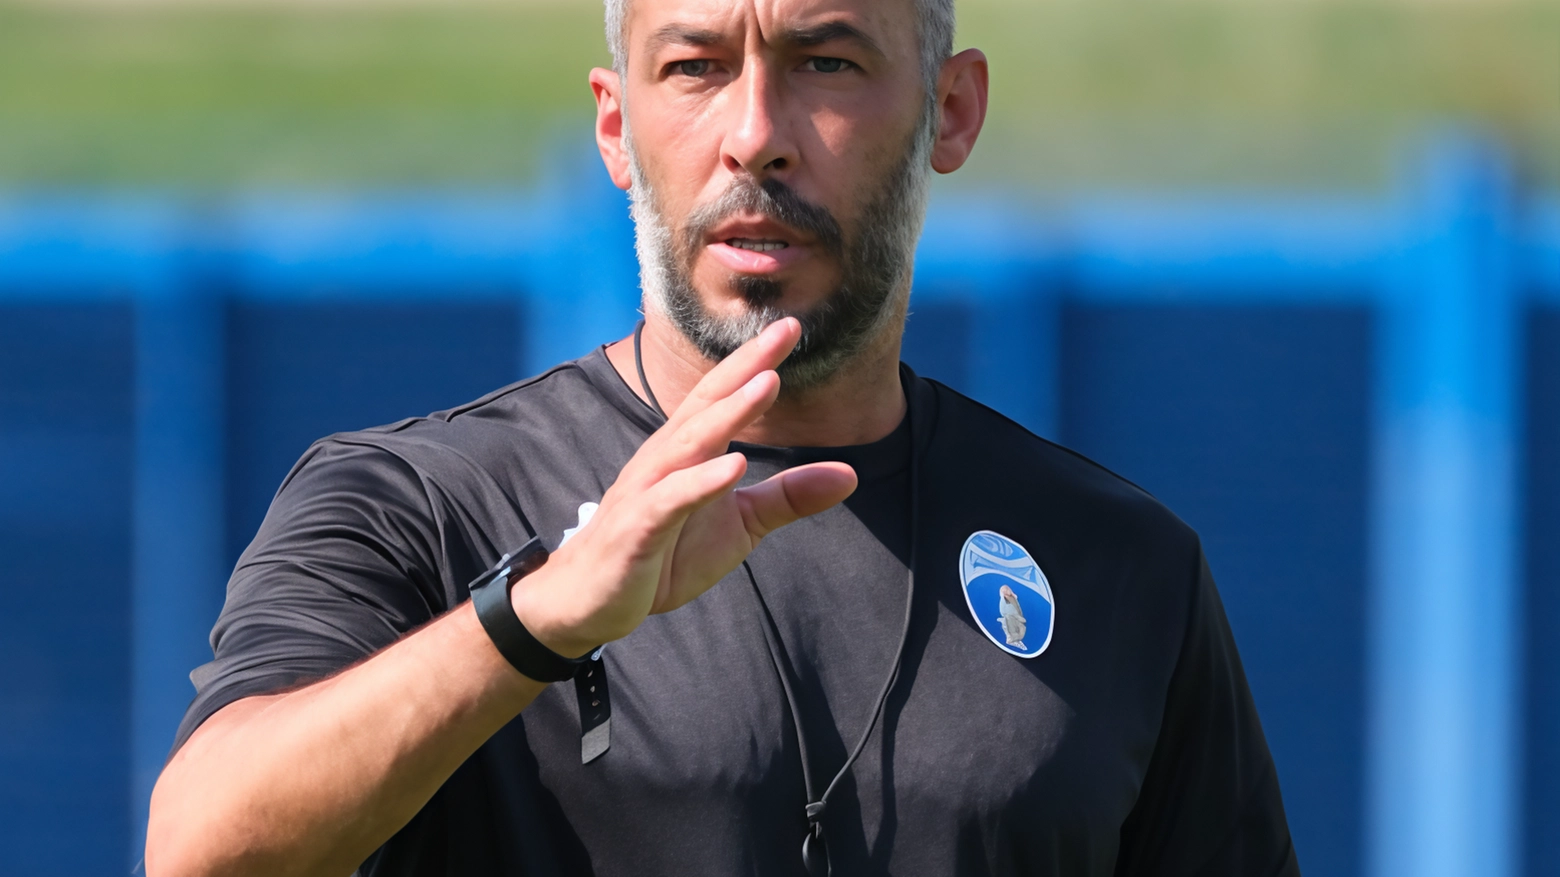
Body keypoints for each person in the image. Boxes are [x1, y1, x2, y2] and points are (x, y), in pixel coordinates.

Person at [145, 0, 1301, 874]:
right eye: (695, 68)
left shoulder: (1121, 562)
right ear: (616, 127)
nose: (755, 135)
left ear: (951, 109)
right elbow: (202, 845)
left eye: (826, 63)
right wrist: (539, 618)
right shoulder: (423, 505)